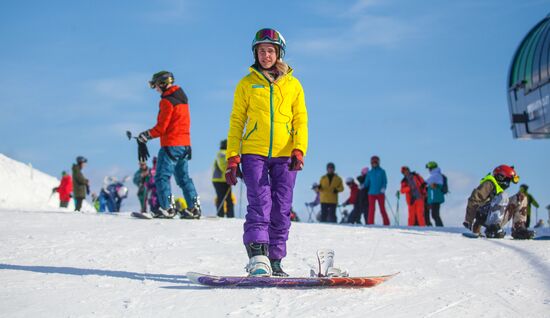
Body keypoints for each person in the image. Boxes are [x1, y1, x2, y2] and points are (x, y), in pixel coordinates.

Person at [225, 28, 308, 277]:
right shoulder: (246, 84)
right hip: (254, 152)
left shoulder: (293, 85)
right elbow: (237, 121)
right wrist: (232, 157)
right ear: (255, 54)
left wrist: (299, 149)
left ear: (279, 53)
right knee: (260, 204)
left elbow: (300, 120)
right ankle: (258, 257)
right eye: (261, 51)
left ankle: (275, 260)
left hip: (286, 155)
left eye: (270, 51)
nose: (266, 55)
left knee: (281, 207)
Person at [137, 71, 201, 219]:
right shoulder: (182, 99)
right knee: (184, 178)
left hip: (171, 144)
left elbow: (161, 128)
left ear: (162, 83)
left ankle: (167, 208)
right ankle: (194, 207)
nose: (156, 89)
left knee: (161, 177)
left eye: (156, 86)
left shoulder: (166, 101)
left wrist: (145, 136)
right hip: (184, 145)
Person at [464, 164, 519, 237]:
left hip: (497, 217)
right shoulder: (489, 184)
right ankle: (493, 228)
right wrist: (469, 220)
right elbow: (474, 200)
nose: (508, 184)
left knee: (519, 197)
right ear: (501, 177)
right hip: (484, 216)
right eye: (508, 181)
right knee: (503, 195)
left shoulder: (499, 189)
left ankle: (519, 228)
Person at [364, 156, 390, 225]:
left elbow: (385, 181)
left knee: (382, 209)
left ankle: (386, 223)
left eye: (375, 162)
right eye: (373, 163)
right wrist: (362, 185)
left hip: (380, 193)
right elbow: (367, 183)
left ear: (378, 163)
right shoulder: (370, 173)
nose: (374, 164)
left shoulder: (382, 171)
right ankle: (370, 223)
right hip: (371, 193)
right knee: (371, 209)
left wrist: (384, 188)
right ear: (371, 163)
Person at [212, 139, 234, 218]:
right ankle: (222, 215)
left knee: (226, 198)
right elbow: (223, 166)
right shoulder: (222, 153)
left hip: (223, 179)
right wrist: (232, 172)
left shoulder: (224, 153)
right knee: (222, 197)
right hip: (220, 180)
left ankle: (229, 215)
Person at [425, 161, 445, 227]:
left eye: (429, 168)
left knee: (435, 214)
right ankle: (439, 226)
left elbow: (425, 183)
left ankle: (440, 227)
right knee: (434, 214)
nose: (428, 170)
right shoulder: (436, 175)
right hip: (434, 198)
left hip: (435, 198)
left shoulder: (435, 175)